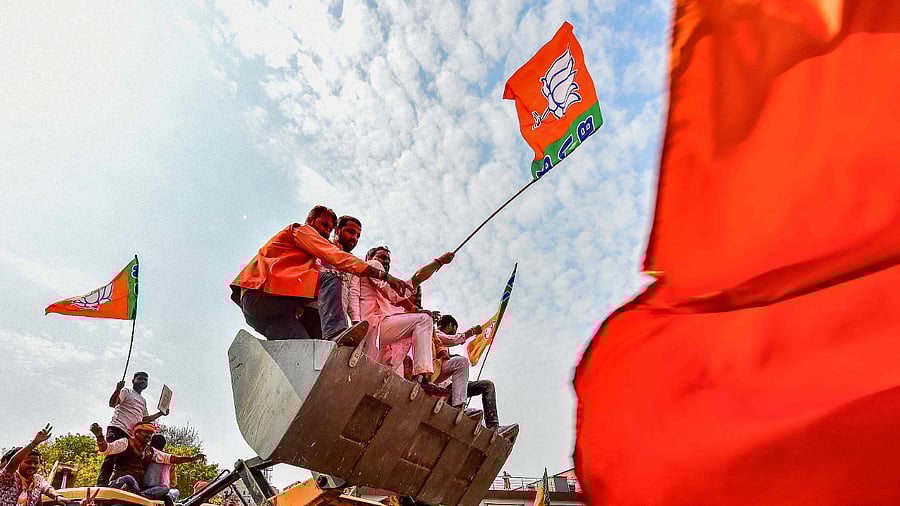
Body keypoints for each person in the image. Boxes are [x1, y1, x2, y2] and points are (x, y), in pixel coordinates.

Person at [230, 205, 411, 341]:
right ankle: (334, 333)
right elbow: (336, 257)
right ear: (310, 221)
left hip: (267, 315)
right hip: (261, 294)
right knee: (331, 279)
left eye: (329, 228)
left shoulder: (311, 256)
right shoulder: (301, 231)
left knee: (306, 351)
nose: (325, 231)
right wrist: (384, 276)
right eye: (323, 225)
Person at [356, 246, 454, 394]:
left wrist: (438, 264)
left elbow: (404, 290)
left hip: (381, 336)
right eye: (382, 257)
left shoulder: (382, 281)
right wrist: (438, 262)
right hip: (374, 326)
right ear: (369, 257)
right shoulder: (372, 265)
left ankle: (419, 379)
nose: (386, 262)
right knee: (424, 320)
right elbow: (395, 293)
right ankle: (422, 377)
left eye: (388, 260)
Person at [433, 315, 518, 439]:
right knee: (461, 361)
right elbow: (453, 339)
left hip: (451, 388)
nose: (454, 332)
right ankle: (458, 407)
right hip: (439, 387)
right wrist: (472, 331)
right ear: (451, 326)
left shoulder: (447, 353)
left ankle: (494, 426)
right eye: (454, 329)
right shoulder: (435, 333)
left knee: (487, 385)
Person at [91, 423, 203, 506]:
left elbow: (170, 458)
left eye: (150, 434)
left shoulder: (150, 451)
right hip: (121, 482)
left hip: (138, 487)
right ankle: (128, 493)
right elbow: (107, 449)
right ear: (137, 433)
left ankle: (141, 496)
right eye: (146, 432)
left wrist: (192, 458)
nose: (149, 435)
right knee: (128, 478)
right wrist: (100, 436)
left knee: (164, 488)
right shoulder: (126, 443)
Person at [97, 371, 167, 486]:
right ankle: (101, 484)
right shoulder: (126, 391)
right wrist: (117, 389)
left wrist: (160, 413)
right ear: (133, 381)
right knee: (111, 455)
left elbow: (144, 419)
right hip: (117, 428)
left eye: (145, 380)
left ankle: (116, 483)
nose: (143, 381)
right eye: (140, 379)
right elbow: (112, 403)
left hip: (130, 434)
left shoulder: (143, 401)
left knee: (123, 461)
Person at [0, 425, 76, 506]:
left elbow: (47, 489)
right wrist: (34, 443)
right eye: (28, 462)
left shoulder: (38, 479)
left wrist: (57, 497)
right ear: (20, 462)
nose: (32, 465)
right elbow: (12, 463)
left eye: (36, 463)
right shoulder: (8, 477)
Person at [321, 215, 363, 328]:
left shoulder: (355, 265)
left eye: (358, 236)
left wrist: (355, 321)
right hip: (312, 309)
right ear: (337, 230)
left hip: (338, 323)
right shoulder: (322, 247)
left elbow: (352, 293)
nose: (354, 238)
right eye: (351, 232)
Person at [142, 434, 179, 502]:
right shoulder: (169, 461)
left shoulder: (144, 454)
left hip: (141, 486)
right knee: (174, 491)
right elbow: (173, 483)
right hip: (158, 491)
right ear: (163, 446)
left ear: (151, 443)